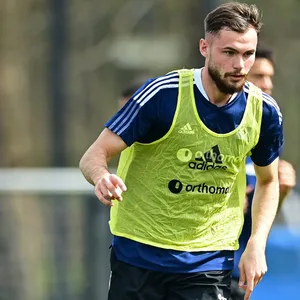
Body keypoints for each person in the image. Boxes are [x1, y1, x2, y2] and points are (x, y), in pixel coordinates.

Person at [79, 3, 283, 300]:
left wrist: (256, 244)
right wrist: (101, 177)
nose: (239, 65)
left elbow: (268, 181)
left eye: (247, 54)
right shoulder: (163, 95)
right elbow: (93, 155)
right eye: (229, 53)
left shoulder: (264, 112)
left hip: (208, 259)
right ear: (204, 47)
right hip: (139, 254)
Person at [230, 46, 296, 300]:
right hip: (195, 264)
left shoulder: (265, 130)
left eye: (270, 77)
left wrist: (279, 191)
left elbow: (256, 216)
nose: (267, 84)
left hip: (235, 273)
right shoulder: (217, 127)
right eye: (258, 76)